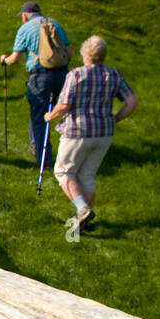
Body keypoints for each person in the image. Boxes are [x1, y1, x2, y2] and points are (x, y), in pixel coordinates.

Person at [45, 35, 137, 231]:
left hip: (77, 132)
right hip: (104, 133)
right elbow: (131, 102)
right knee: (87, 175)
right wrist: (115, 119)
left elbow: (64, 105)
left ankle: (82, 209)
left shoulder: (76, 75)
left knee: (63, 171)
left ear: (85, 53)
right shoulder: (114, 75)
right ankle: (83, 222)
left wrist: (49, 116)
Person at [0, 1, 71, 170]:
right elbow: (69, 53)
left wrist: (4, 60)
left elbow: (15, 58)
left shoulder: (25, 29)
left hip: (40, 77)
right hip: (61, 75)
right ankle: (41, 146)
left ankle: (45, 161)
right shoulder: (55, 24)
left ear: (24, 16)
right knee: (53, 112)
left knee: (39, 117)